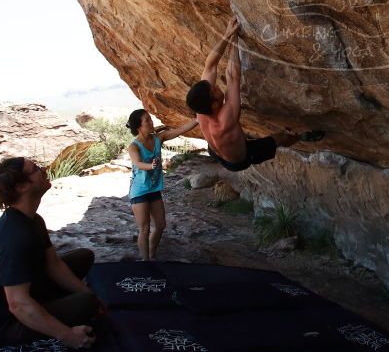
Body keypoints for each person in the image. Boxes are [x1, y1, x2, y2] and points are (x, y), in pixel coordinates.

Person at [0, 157, 103, 348]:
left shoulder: (33, 220)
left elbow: (53, 265)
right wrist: (68, 335)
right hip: (1, 326)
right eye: (36, 169)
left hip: (27, 293)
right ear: (22, 186)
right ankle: (46, 312)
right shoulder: (13, 236)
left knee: (84, 257)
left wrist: (92, 294)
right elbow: (17, 304)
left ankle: (47, 304)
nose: (44, 170)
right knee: (86, 303)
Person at [185, 16, 325, 172]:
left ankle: (236, 141)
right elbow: (232, 75)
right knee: (279, 138)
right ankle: (299, 137)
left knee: (227, 142)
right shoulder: (226, 120)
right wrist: (234, 38)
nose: (216, 86)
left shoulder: (200, 106)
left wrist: (227, 34)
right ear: (215, 104)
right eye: (215, 90)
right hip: (239, 160)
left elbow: (210, 66)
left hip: (215, 151)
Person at [126, 109, 198, 261]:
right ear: (139, 126)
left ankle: (152, 254)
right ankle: (146, 262)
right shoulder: (134, 146)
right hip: (139, 191)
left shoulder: (159, 138)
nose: (151, 122)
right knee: (144, 229)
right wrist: (151, 166)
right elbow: (138, 163)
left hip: (153, 189)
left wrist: (197, 120)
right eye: (147, 120)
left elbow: (180, 130)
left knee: (160, 225)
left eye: (151, 119)